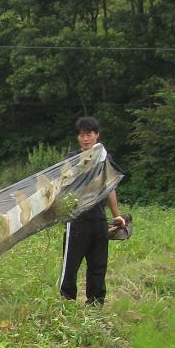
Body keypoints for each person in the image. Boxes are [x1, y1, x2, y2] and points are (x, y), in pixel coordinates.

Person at [59, 116, 125, 305]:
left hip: (98, 218)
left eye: (89, 135)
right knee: (70, 265)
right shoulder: (72, 159)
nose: (85, 139)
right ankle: (67, 302)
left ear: (97, 135)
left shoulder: (104, 158)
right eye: (81, 135)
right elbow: (62, 186)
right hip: (76, 219)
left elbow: (110, 187)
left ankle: (95, 304)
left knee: (98, 264)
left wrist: (116, 215)